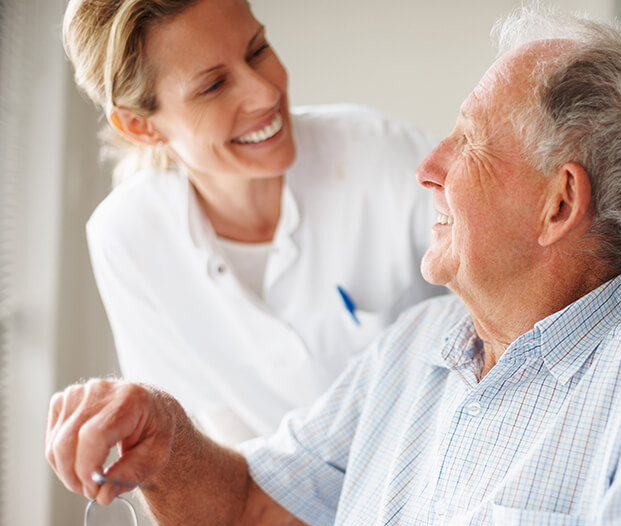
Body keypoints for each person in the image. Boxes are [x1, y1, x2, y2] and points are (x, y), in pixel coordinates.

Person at [48, 5, 621, 526]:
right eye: (212, 83)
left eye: (465, 142)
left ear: (559, 204)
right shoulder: (414, 347)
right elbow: (238, 507)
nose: (427, 167)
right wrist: (164, 438)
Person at [62, 0, 443, 446]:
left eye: (257, 49)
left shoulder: (381, 154)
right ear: (140, 127)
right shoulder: (127, 238)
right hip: (285, 502)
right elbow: (203, 441)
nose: (265, 93)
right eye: (214, 85)